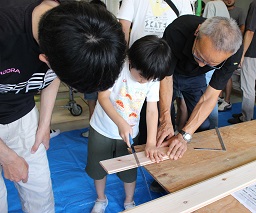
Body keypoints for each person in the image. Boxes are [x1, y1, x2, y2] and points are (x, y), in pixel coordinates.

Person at [0, 1, 126, 212]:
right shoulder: (6, 29)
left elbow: (52, 76)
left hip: (22, 115)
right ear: (44, 58)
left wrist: (44, 123)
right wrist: (7, 157)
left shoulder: (70, 25)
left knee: (40, 197)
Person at [85, 35, 171, 212]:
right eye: (141, 76)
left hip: (131, 132)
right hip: (102, 129)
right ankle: (101, 199)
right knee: (98, 168)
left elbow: (152, 110)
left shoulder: (152, 77)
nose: (143, 81)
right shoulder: (115, 66)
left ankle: (129, 202)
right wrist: (121, 123)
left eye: (149, 79)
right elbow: (103, 97)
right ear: (131, 60)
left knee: (130, 171)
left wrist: (151, 142)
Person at [157, 15, 243, 160]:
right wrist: (165, 120)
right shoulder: (178, 29)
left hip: (195, 79)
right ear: (197, 32)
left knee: (202, 125)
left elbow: (210, 96)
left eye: (211, 64)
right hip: (170, 73)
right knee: (161, 127)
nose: (202, 65)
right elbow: (165, 77)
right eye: (199, 56)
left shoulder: (233, 53)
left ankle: (191, 163)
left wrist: (184, 135)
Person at [117, 0, 192, 145]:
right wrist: (123, 60)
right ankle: (137, 145)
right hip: (138, 65)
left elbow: (187, 27)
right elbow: (123, 27)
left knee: (163, 108)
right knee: (133, 107)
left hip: (165, 65)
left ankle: (157, 146)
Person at [227, 0, 256, 124]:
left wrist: (242, 53)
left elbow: (250, 31)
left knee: (247, 86)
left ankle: (246, 118)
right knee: (247, 84)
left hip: (251, 51)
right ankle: (245, 114)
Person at [81, 0, 108, 138]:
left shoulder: (109, 30)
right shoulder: (84, 31)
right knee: (93, 102)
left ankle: (98, 131)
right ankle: (94, 130)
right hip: (93, 74)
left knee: (99, 103)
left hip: (103, 75)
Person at [202, 0, 230, 128]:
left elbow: (204, 31)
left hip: (210, 53)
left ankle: (210, 128)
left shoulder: (210, 5)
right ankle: (213, 128)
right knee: (213, 91)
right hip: (222, 53)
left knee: (208, 94)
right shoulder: (222, 4)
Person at [218, 0, 245, 112]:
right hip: (219, 46)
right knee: (217, 71)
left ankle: (227, 101)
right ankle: (219, 97)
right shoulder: (220, 10)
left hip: (232, 47)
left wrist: (232, 40)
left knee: (227, 74)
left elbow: (243, 28)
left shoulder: (240, 11)